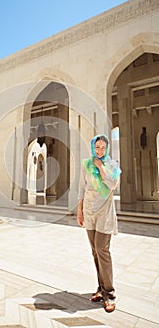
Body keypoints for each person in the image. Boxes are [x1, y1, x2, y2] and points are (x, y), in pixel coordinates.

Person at [77, 134, 121, 313]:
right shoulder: (86, 165)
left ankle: (109, 294)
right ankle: (101, 288)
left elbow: (111, 184)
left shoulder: (112, 165)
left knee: (102, 250)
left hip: (104, 212)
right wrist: (79, 211)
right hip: (89, 210)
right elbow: (81, 188)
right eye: (97, 147)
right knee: (95, 251)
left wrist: (101, 166)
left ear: (107, 148)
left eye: (103, 147)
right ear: (93, 147)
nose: (100, 150)